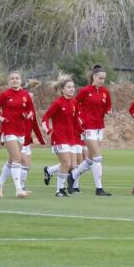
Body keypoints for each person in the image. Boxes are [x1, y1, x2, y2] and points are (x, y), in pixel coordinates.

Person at [67, 65, 112, 196]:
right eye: (100, 78)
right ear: (94, 77)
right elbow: (74, 105)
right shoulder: (85, 91)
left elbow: (108, 106)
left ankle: (73, 175)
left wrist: (108, 110)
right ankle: (99, 188)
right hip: (87, 128)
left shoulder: (105, 92)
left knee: (90, 160)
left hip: (99, 127)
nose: (102, 80)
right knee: (98, 157)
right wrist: (79, 119)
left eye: (104, 78)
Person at [41, 74, 79, 197]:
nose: (72, 89)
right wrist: (49, 131)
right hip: (59, 138)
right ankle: (59, 190)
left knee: (73, 166)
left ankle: (49, 170)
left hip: (71, 139)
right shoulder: (57, 103)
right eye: (69, 87)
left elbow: (75, 121)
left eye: (73, 87)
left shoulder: (74, 102)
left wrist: (82, 132)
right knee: (66, 164)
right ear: (62, 89)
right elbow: (45, 118)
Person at [20, 79, 45, 192]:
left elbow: (35, 126)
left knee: (27, 166)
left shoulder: (32, 111)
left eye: (32, 97)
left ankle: (20, 186)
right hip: (19, 141)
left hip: (27, 142)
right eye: (28, 97)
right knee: (24, 164)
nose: (30, 99)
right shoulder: (19, 110)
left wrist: (41, 139)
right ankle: (19, 187)